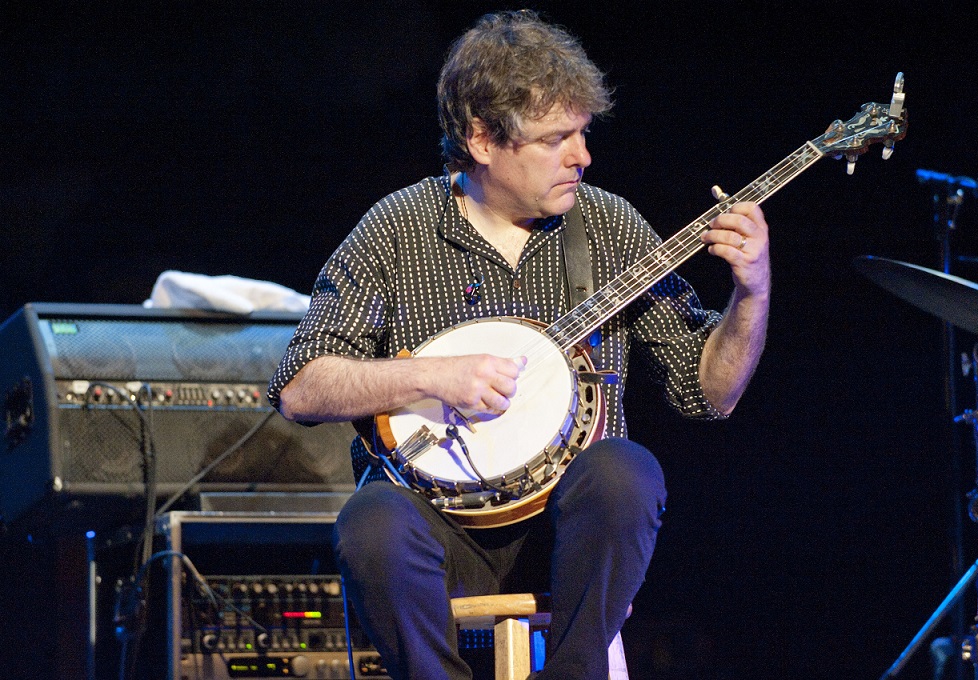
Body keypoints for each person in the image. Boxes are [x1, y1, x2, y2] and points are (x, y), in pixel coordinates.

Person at [268, 9, 769, 679]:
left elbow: (709, 392)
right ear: (481, 138)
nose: (582, 155)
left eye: (583, 133)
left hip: (566, 533)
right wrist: (431, 377)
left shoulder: (610, 227)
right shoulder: (398, 227)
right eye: (556, 137)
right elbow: (302, 386)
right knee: (372, 523)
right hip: (438, 528)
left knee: (627, 472)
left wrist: (753, 292)